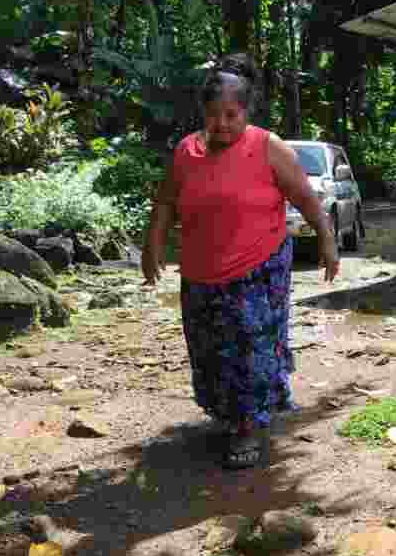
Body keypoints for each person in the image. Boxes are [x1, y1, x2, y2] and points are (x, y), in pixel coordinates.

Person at [141, 53, 340, 469]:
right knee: (210, 350)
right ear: (203, 114)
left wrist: (327, 241)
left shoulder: (269, 147)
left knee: (249, 347)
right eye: (215, 115)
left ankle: (248, 426)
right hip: (200, 273)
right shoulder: (185, 153)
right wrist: (152, 247)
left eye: (232, 115)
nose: (223, 124)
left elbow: (307, 200)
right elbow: (165, 204)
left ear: (246, 112)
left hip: (257, 268)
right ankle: (228, 415)